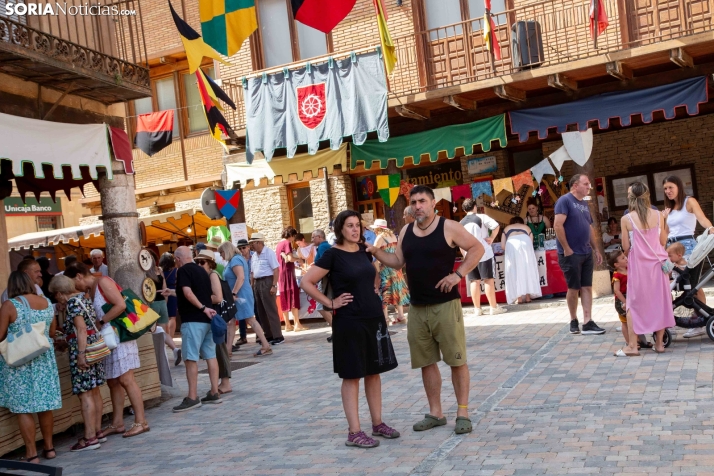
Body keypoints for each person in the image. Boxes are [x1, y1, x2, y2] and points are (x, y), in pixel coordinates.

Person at [366, 185, 484, 435]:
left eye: (422, 201)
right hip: (417, 308)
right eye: (414, 202)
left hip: (445, 305)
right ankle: (436, 412)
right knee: (426, 362)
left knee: (456, 360)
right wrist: (376, 251)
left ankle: (462, 412)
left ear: (433, 203)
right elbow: (398, 262)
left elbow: (477, 249)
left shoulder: (449, 226)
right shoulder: (406, 230)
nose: (417, 206)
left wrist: (458, 275)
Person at [301, 210, 400, 448]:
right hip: (349, 320)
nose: (355, 230)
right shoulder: (332, 255)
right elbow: (306, 281)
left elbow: (373, 275)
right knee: (352, 374)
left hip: (372, 318)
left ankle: (377, 424)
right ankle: (354, 432)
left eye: (357, 225)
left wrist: (375, 293)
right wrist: (330, 303)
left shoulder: (365, 251)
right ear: (340, 229)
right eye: (350, 226)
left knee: (374, 372)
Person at [64, 263, 149, 438]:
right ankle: (117, 423)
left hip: (118, 336)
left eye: (72, 282)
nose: (72, 287)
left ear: (79, 276)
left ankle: (141, 421)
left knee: (126, 379)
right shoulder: (89, 290)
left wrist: (100, 322)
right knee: (113, 382)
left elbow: (120, 305)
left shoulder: (103, 282)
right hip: (108, 339)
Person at [0, 272, 62, 463]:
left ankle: (31, 454)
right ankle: (50, 448)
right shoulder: (46, 303)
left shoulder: (10, 305)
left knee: (23, 408)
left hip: (20, 362)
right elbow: (52, 332)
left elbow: (0, 335)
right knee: (44, 406)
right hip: (44, 361)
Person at [49, 275, 106, 452]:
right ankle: (97, 431)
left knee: (85, 394)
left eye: (55, 295)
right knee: (94, 390)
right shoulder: (84, 298)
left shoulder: (73, 303)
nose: (56, 299)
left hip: (83, 350)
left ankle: (89, 437)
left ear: (59, 293)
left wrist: (80, 354)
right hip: (93, 347)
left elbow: (81, 329)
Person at [621, 181, 675, 354]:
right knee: (659, 302)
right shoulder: (659, 215)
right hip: (658, 265)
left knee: (633, 304)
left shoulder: (626, 219)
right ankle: (659, 344)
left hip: (638, 268)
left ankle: (632, 346)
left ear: (630, 198)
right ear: (647, 196)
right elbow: (662, 241)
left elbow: (626, 247)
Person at [165, 246, 221, 412]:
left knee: (190, 358)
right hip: (208, 320)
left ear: (178, 259)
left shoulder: (182, 271)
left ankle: (192, 396)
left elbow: (188, 293)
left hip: (193, 319)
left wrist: (202, 308)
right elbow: (198, 292)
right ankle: (214, 392)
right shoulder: (202, 270)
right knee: (211, 355)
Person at [662, 174, 714, 338]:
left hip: (687, 247)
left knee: (693, 284)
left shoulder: (689, 202)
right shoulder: (668, 208)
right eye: (665, 189)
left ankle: (700, 319)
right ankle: (668, 320)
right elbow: (666, 232)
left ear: (678, 186)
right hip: (671, 248)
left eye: (671, 187)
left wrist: (711, 228)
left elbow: (702, 218)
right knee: (674, 284)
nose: (668, 191)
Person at [553, 174, 605, 335]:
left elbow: (589, 228)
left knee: (587, 287)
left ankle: (588, 321)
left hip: (586, 251)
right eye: (586, 184)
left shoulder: (584, 204)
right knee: (574, 288)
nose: (589, 186)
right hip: (571, 253)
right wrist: (566, 248)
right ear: (575, 186)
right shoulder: (565, 201)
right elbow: (557, 225)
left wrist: (596, 249)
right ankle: (573, 319)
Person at [220, 241, 272, 357]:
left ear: (227, 250)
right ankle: (228, 350)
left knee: (249, 319)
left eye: (221, 252)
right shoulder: (233, 260)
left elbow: (241, 278)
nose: (220, 255)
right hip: (236, 295)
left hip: (240, 295)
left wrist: (233, 293)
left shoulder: (235, 260)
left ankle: (265, 345)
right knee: (231, 322)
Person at [195, 250, 233, 394]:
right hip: (209, 317)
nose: (199, 264)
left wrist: (199, 299)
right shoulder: (203, 276)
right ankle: (221, 381)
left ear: (210, 263)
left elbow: (217, 297)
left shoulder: (212, 275)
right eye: (197, 262)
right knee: (213, 349)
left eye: (202, 262)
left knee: (219, 348)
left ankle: (225, 382)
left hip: (216, 317)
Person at [460, 198, 506, 315]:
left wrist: (464, 255)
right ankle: (493, 307)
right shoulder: (482, 217)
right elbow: (496, 226)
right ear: (475, 206)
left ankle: (477, 309)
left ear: (464, 210)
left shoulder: (460, 223)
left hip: (469, 254)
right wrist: (491, 238)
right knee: (488, 280)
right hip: (484, 252)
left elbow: (459, 242)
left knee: (474, 281)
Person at [371, 219, 410, 325]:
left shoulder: (380, 237)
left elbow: (373, 252)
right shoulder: (393, 236)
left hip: (385, 268)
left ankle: (386, 318)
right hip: (396, 267)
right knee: (397, 290)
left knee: (385, 292)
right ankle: (401, 316)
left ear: (378, 229)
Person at [250, 232, 285, 345]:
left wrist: (274, 285)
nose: (251, 245)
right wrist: (252, 285)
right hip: (257, 282)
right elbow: (252, 272)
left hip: (267, 280)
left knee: (270, 309)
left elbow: (276, 269)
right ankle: (269, 334)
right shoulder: (254, 255)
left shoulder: (268, 252)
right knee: (261, 310)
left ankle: (278, 335)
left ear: (259, 242)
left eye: (253, 243)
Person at [501, 217, 542, 305]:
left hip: (512, 243)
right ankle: (527, 297)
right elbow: (530, 244)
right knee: (527, 268)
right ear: (521, 222)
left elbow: (502, 246)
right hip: (525, 242)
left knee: (514, 270)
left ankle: (519, 298)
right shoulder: (527, 227)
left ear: (511, 223)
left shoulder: (507, 228)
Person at [148, 253, 180, 365]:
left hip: (152, 303)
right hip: (162, 302)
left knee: (153, 330)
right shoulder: (159, 270)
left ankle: (160, 356)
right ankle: (175, 349)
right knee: (163, 330)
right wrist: (165, 302)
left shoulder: (145, 272)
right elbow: (165, 288)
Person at [276, 226, 307, 332]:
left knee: (284, 296)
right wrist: (299, 259)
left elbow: (283, 260)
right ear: (291, 235)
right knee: (293, 295)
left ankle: (287, 325)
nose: (293, 239)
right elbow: (289, 259)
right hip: (288, 273)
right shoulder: (287, 243)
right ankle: (297, 323)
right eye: (294, 237)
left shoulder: (279, 244)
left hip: (281, 273)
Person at [312, 229, 334, 343]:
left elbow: (321, 264)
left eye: (313, 237)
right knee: (326, 306)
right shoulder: (327, 246)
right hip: (328, 279)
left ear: (319, 237)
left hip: (325, 280)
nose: (311, 240)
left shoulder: (322, 247)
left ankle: (336, 330)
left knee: (321, 307)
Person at [160, 252, 179, 344]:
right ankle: (170, 337)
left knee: (165, 317)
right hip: (172, 293)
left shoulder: (160, 271)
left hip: (162, 292)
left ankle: (166, 337)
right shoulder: (176, 271)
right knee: (172, 317)